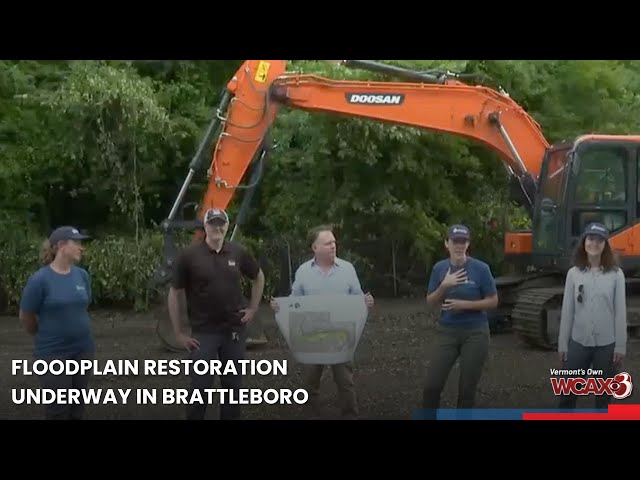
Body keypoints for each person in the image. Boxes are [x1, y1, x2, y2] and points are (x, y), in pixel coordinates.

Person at [168, 207, 265, 420]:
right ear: (205, 226)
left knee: (232, 390)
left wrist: (254, 308)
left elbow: (258, 277)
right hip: (204, 334)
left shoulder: (238, 252)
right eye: (213, 223)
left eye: (221, 223)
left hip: (234, 332)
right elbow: (174, 293)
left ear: (227, 226)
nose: (217, 227)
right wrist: (179, 333)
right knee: (200, 389)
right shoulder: (189, 256)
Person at [270, 224, 374, 419]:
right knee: (309, 383)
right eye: (327, 243)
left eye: (334, 242)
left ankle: (350, 416)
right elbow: (295, 302)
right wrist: (280, 307)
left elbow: (359, 300)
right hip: (312, 335)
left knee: (345, 382)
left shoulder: (348, 269)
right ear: (314, 248)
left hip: (341, 334)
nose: (333, 246)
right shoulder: (303, 272)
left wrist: (367, 301)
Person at [422, 224, 498, 419]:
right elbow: (430, 301)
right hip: (447, 331)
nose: (459, 246)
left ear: (468, 244)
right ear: (447, 244)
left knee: (467, 389)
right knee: (432, 386)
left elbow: (493, 301)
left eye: (463, 242)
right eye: (455, 242)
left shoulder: (480, 269)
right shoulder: (439, 268)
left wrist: (464, 305)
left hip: (475, 332)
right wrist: (444, 286)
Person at [19, 226, 94, 420]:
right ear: (61, 246)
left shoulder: (82, 276)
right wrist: (43, 332)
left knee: (77, 409)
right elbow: (26, 316)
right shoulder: (40, 280)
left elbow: (82, 307)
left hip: (83, 351)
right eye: (76, 243)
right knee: (58, 411)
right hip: (53, 355)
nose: (81, 247)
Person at [557, 222, 627, 410]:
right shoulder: (573, 274)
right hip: (578, 342)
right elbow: (567, 311)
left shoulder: (616, 274)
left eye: (599, 240)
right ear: (584, 242)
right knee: (567, 395)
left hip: (606, 345)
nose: (594, 244)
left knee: (603, 398)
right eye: (590, 239)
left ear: (605, 245)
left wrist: (620, 345)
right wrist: (563, 343)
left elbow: (620, 312)